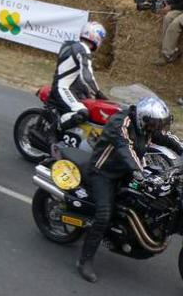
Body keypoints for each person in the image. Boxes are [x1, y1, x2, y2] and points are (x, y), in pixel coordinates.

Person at [77, 96, 183, 283]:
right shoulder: (121, 123)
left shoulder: (147, 126)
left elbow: (165, 137)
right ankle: (84, 261)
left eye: (158, 125)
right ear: (143, 119)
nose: (156, 129)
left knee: (146, 198)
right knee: (103, 215)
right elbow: (126, 149)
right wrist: (140, 174)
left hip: (125, 170)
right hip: (104, 173)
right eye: (155, 125)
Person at [50, 22, 108, 135]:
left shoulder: (74, 45)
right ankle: (55, 130)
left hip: (67, 87)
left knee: (90, 105)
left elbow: (77, 77)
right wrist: (98, 93)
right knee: (82, 113)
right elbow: (87, 77)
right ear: (96, 37)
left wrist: (89, 93)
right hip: (63, 88)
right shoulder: (83, 49)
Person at [153, 0, 183, 65]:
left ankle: (167, 54)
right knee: (168, 18)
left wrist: (171, 7)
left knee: (175, 24)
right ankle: (171, 48)